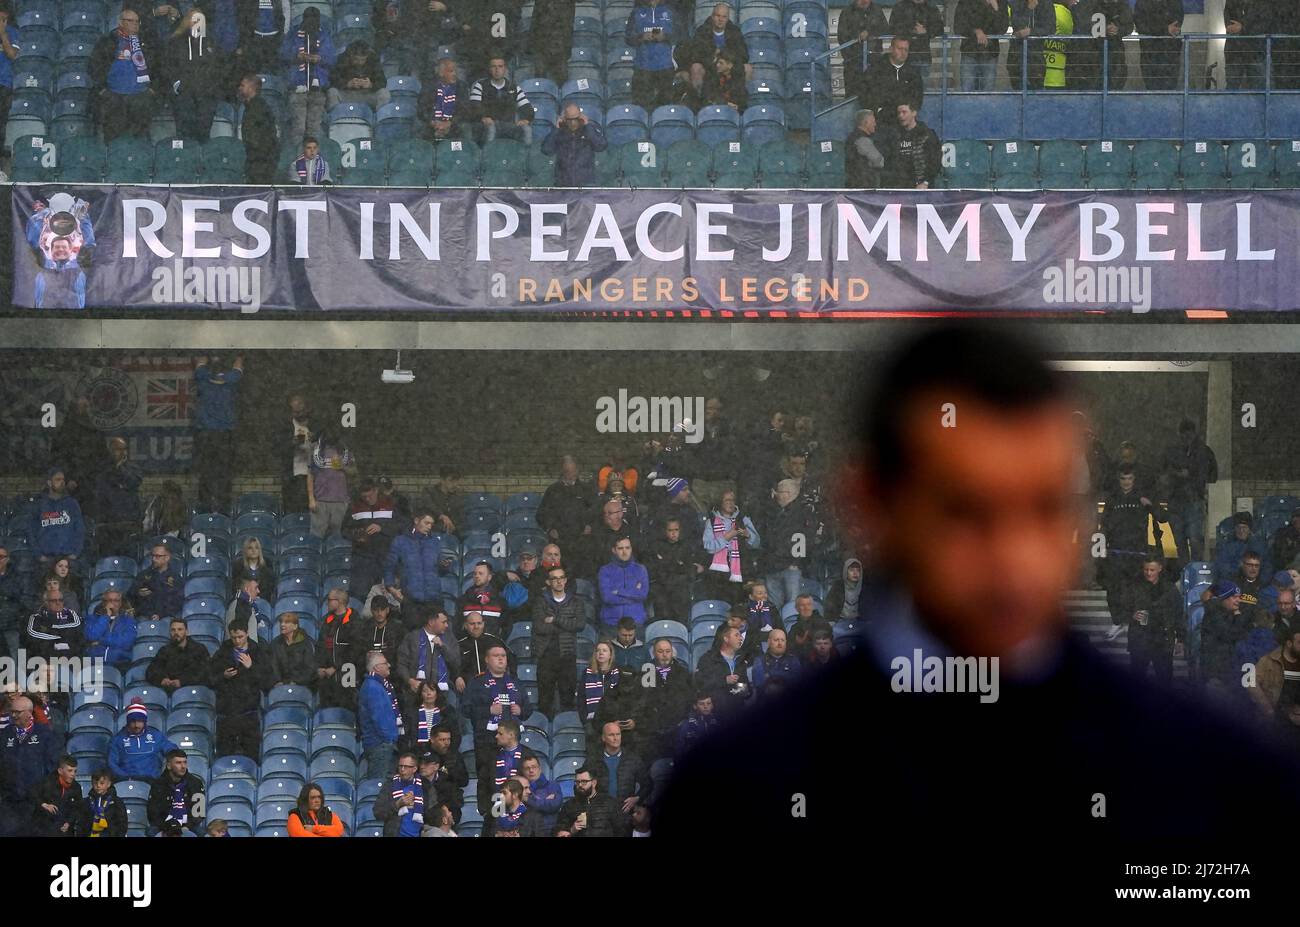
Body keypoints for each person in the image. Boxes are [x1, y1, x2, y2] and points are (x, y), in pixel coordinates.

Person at [657, 324, 1300, 879]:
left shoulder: (1218, 782)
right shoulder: (733, 793)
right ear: (870, 506)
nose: (1013, 555)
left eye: (1044, 508)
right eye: (967, 510)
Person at [465, 644, 531, 807]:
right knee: (490, 781)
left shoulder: (515, 682)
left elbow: (528, 709)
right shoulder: (477, 683)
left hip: (512, 743)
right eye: (496, 656)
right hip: (487, 742)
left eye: (503, 655)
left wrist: (521, 710)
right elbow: (465, 708)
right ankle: (491, 814)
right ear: (487, 660)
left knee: (515, 778)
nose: (501, 658)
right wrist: (488, 710)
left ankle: (516, 814)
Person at [90, 8, 159, 143]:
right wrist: (102, 90)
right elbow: (94, 65)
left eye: (137, 21)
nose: (135, 24)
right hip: (114, 97)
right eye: (130, 21)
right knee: (113, 137)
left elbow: (158, 65)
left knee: (139, 138)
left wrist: (153, 89)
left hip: (140, 97)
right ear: (120, 22)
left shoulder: (147, 42)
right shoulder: (108, 41)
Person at [0, 695, 61, 837]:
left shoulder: (45, 734)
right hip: (10, 804)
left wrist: (44, 797)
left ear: (28, 713)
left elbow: (52, 767)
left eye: (17, 712)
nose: (13, 715)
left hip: (37, 805)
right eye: (12, 711)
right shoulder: (4, 735)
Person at [209, 621, 272, 759]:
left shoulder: (258, 653)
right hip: (226, 713)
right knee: (224, 756)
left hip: (249, 713)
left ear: (247, 634)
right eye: (234, 638)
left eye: (241, 637)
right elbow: (210, 679)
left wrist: (251, 667)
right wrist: (223, 676)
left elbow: (267, 682)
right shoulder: (222, 652)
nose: (237, 641)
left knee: (251, 756)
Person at [1161, 418, 1218, 565]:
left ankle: (1190, 571)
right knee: (1188, 539)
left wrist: (1184, 475)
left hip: (1187, 500)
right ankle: (1191, 571)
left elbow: (1212, 475)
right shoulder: (1203, 451)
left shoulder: (1174, 451)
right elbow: (1213, 475)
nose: (1186, 438)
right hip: (1184, 500)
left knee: (1189, 539)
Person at [532, 564, 585, 717]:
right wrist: (566, 625)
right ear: (548, 582)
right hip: (545, 655)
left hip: (567, 655)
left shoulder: (576, 602)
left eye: (561, 578)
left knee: (567, 700)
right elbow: (539, 627)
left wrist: (555, 619)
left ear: (566, 580)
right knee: (545, 700)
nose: (559, 581)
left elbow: (580, 625)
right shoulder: (540, 601)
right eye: (554, 579)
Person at [193, 355, 243, 514]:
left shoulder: (202, 378)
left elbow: (200, 362)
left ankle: (204, 511)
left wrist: (206, 356)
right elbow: (239, 364)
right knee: (224, 477)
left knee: (205, 476)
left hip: (206, 435)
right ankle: (224, 512)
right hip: (224, 436)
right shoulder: (231, 380)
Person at [167, 9, 224, 140]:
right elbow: (168, 66)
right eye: (194, 19)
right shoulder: (176, 42)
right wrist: (177, 84)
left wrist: (212, 86)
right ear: (187, 21)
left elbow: (219, 67)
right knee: (184, 133)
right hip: (184, 92)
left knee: (203, 132)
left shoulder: (211, 42)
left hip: (206, 93)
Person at [281, 6, 335, 143]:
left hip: (318, 89)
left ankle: (313, 161)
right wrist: (297, 55)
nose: (311, 23)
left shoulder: (325, 35)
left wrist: (319, 58)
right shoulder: (293, 34)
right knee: (298, 129)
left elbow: (332, 59)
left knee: (314, 129)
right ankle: (297, 160)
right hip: (298, 88)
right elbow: (282, 54)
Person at [701, 489, 760, 604]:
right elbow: (708, 547)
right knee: (721, 603)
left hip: (741, 569)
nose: (731, 503)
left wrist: (748, 536)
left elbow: (756, 543)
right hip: (718, 574)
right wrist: (727, 537)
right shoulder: (711, 522)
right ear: (720, 503)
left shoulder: (743, 519)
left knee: (740, 603)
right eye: (727, 500)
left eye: (732, 500)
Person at [345, 478, 400, 599]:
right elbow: (344, 530)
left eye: (370, 496)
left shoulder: (390, 504)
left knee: (385, 596)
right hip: (362, 558)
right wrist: (356, 535)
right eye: (364, 497)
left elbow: (401, 526)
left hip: (385, 556)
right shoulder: (355, 506)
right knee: (359, 594)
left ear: (376, 490)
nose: (367, 499)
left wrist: (382, 527)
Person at [385, 511, 447, 619]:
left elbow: (442, 570)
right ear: (416, 520)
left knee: (436, 635)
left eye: (431, 524)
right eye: (426, 523)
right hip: (411, 601)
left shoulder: (435, 542)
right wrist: (391, 588)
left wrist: (445, 565)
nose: (429, 527)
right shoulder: (400, 541)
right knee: (412, 634)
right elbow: (389, 567)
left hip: (434, 600)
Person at [395, 608, 461, 708]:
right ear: (431, 622)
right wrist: (410, 681)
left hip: (441, 695)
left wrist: (443, 647)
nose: (447, 625)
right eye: (444, 622)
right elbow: (401, 663)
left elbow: (456, 663)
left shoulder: (449, 639)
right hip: (416, 694)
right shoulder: (412, 638)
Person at [465, 56, 534, 145]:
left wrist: (526, 119)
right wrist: (482, 117)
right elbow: (474, 106)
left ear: (505, 69)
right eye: (494, 66)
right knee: (491, 128)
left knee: (527, 129)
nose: (497, 70)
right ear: (490, 69)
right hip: (486, 125)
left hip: (508, 126)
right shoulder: (480, 85)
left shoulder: (513, 87)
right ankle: (488, 156)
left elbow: (527, 107)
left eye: (500, 66)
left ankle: (524, 158)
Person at [93, 437, 143, 557]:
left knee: (128, 560)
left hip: (128, 523)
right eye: (118, 449)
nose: (123, 452)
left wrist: (121, 468)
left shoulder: (133, 468)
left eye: (124, 449)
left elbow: (133, 482)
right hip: (109, 525)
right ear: (110, 451)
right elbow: (101, 490)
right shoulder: (102, 469)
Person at [358, 651, 403, 779]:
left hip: (382, 745)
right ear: (377, 667)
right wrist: (390, 739)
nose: (389, 665)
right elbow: (380, 719)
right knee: (379, 786)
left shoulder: (377, 685)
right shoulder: (373, 687)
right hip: (380, 745)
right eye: (385, 663)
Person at [864, 37, 923, 135]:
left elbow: (918, 96)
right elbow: (865, 92)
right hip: (882, 122)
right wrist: (877, 110)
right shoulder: (876, 69)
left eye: (906, 50)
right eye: (900, 49)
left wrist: (911, 111)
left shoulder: (913, 72)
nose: (903, 53)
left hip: (906, 121)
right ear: (891, 49)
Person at [108, 700, 178, 782]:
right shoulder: (117, 740)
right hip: (127, 781)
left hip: (153, 781)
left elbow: (172, 750)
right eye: (133, 721)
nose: (136, 725)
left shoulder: (156, 736)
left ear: (145, 722)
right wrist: (126, 778)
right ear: (128, 722)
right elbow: (112, 764)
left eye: (140, 721)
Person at [538, 456, 598, 550]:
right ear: (562, 471)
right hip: (559, 542)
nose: (570, 475)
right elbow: (541, 514)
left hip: (582, 541)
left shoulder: (586, 490)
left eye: (573, 471)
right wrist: (549, 529)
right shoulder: (553, 490)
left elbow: (596, 511)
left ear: (577, 471)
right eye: (567, 472)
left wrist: (590, 526)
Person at [626, 0, 677, 110]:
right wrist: (642, 37)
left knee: (665, 108)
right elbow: (628, 38)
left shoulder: (671, 10)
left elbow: (681, 34)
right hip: (642, 67)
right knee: (640, 108)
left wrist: (665, 36)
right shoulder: (636, 11)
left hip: (665, 67)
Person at [541, 103, 608, 187]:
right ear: (564, 119)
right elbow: (546, 150)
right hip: (563, 183)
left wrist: (588, 126)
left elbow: (601, 146)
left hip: (586, 183)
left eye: (575, 119)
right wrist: (556, 129)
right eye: (569, 120)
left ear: (580, 117)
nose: (573, 123)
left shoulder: (588, 131)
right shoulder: (559, 133)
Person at [836, 0, 889, 105]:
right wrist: (854, 56)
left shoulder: (877, 10)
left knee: (875, 99)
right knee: (852, 101)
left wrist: (869, 32)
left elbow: (885, 28)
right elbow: (842, 38)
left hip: (875, 65)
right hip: (853, 68)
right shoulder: (847, 12)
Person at [30, 468, 86, 564]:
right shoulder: (39, 505)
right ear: (49, 483)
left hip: (68, 559)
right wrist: (39, 555)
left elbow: (80, 530)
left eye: (63, 479)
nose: (62, 482)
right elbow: (31, 531)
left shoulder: (72, 504)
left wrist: (75, 553)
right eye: (58, 479)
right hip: (46, 559)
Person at [554, 764, 627, 837]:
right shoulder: (569, 805)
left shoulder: (610, 803)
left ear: (594, 783)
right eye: (577, 782)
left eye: (584, 782)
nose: (580, 785)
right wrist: (572, 830)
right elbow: (558, 831)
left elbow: (621, 831)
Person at [308, 426, 354, 538]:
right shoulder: (316, 451)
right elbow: (310, 475)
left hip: (340, 500)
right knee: (316, 536)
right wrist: (311, 499)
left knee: (339, 536)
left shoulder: (345, 450)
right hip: (320, 501)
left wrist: (342, 466)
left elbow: (354, 472)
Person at [146, 749, 205, 836]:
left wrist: (187, 826)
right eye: (178, 763)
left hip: (189, 825)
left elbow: (199, 812)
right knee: (150, 833)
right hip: (163, 825)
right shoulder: (158, 784)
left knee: (203, 834)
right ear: (169, 766)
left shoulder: (196, 783)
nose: (183, 766)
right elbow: (153, 813)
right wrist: (168, 827)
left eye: (185, 762)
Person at [884, 100, 941, 189]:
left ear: (914, 113)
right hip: (900, 187)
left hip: (921, 188)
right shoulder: (894, 136)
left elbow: (935, 162)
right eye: (899, 113)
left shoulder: (927, 134)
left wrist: (926, 182)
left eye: (904, 112)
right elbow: (890, 162)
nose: (901, 116)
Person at [887, 0, 945, 85]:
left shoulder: (931, 7)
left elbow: (939, 28)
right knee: (903, 88)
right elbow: (892, 28)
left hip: (923, 55)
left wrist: (926, 31)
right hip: (903, 58)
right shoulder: (900, 7)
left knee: (922, 89)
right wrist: (910, 31)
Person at [598, 538, 650, 630]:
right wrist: (633, 593)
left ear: (631, 549)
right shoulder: (605, 570)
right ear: (614, 550)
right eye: (620, 548)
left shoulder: (641, 569)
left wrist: (618, 592)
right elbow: (607, 597)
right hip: (611, 621)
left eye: (627, 548)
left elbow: (642, 595)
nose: (624, 552)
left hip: (636, 621)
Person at [236, 73, 279, 184]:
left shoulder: (259, 108)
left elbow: (262, 136)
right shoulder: (251, 106)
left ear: (251, 88)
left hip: (261, 161)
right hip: (257, 159)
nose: (240, 88)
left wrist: (257, 154)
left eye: (242, 85)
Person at [955, 0, 1007, 90]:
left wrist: (996, 8)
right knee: (967, 92)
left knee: (987, 92)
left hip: (990, 54)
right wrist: (975, 31)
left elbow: (1002, 28)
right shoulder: (966, 2)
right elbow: (958, 26)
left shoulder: (1000, 2)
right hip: (970, 53)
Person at [146, 618, 210, 691]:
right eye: (173, 630)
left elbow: (205, 672)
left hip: (192, 690)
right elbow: (151, 670)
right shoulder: (164, 650)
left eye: (180, 629)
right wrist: (162, 679)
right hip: (169, 690)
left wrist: (182, 682)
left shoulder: (199, 649)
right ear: (170, 632)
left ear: (187, 632)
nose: (176, 633)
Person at [24, 584, 83, 662]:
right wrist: (60, 640)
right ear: (46, 602)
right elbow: (33, 636)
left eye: (60, 600)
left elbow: (77, 630)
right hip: (45, 658)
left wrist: (51, 629)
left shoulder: (71, 614)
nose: (58, 603)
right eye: (53, 600)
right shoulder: (36, 617)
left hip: (70, 657)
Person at [1133, 0, 1183, 91]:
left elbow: (1175, 25)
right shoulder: (1142, 3)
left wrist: (1156, 28)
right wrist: (1164, 29)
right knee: (1153, 87)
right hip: (1152, 54)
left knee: (1168, 88)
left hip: (1168, 53)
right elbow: (1140, 25)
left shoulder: (1174, 2)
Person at [31, 754, 85, 837]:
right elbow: (32, 793)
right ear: (60, 771)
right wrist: (44, 805)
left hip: (64, 828)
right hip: (44, 826)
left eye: (75, 771)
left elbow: (77, 808)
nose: (73, 774)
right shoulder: (47, 782)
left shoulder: (76, 787)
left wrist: (68, 823)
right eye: (70, 771)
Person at [373, 751, 425, 836]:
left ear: (414, 769)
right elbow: (378, 813)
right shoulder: (390, 785)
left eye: (407, 767)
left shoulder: (424, 786)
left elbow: (431, 815)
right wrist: (397, 804)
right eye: (401, 766)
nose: (402, 769)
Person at [328, 39, 388, 111]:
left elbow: (382, 81)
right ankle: (335, 118)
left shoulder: (373, 60)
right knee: (332, 92)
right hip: (348, 94)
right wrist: (347, 84)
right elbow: (332, 79)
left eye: (362, 60)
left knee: (384, 94)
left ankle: (378, 119)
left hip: (368, 94)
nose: (359, 62)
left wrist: (371, 85)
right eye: (356, 59)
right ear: (350, 55)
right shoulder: (342, 59)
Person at [130, 543, 184, 622]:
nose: (154, 559)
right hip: (145, 616)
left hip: (167, 616)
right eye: (153, 556)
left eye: (158, 556)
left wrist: (160, 615)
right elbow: (130, 596)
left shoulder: (176, 578)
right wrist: (138, 593)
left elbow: (178, 602)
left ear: (167, 558)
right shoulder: (143, 575)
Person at [269, 612, 317, 687]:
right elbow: (273, 666)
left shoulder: (305, 643)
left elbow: (310, 669)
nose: (282, 625)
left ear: (295, 626)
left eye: (287, 622)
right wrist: (279, 682)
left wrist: (296, 682)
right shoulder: (275, 643)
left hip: (302, 685)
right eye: (281, 622)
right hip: (280, 685)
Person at [519, 753, 563, 833]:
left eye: (534, 767)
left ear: (540, 769)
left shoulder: (553, 785)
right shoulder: (519, 787)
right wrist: (543, 801)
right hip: (527, 830)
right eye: (527, 768)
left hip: (549, 830)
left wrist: (527, 799)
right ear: (523, 771)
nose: (531, 770)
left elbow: (553, 805)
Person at [845, 109, 886, 189]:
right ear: (865, 123)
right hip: (865, 187)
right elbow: (879, 161)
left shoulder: (852, 137)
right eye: (873, 121)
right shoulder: (862, 139)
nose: (875, 124)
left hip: (856, 185)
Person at [83, 769, 129, 838]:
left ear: (109, 784)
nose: (98, 786)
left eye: (102, 783)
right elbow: (81, 824)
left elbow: (122, 826)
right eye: (95, 783)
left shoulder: (117, 802)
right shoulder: (86, 802)